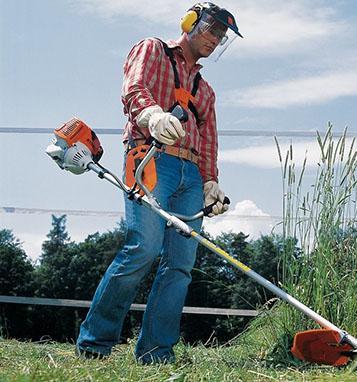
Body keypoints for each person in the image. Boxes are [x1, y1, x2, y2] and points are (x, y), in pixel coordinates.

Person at [76, 2, 242, 364]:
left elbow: (209, 138)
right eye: (211, 29)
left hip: (190, 175)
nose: (216, 39)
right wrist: (152, 116)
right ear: (190, 22)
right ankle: (95, 344)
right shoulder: (152, 49)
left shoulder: (206, 91)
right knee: (143, 248)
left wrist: (211, 181)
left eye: (222, 36)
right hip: (150, 159)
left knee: (180, 265)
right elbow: (134, 87)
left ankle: (156, 353)